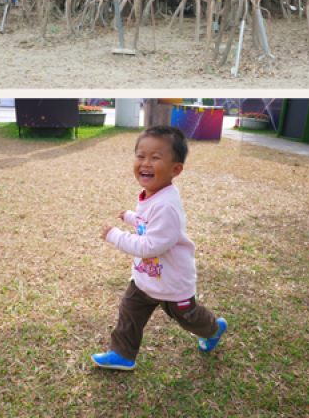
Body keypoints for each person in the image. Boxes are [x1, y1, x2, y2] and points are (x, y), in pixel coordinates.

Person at [92, 125, 227, 370]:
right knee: (130, 310)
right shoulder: (151, 192)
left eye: (155, 158)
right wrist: (133, 217)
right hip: (146, 278)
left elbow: (150, 245)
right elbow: (149, 225)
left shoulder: (166, 205)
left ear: (176, 169)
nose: (146, 163)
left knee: (188, 318)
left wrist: (115, 235)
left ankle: (214, 328)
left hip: (172, 283)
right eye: (140, 155)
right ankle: (122, 353)